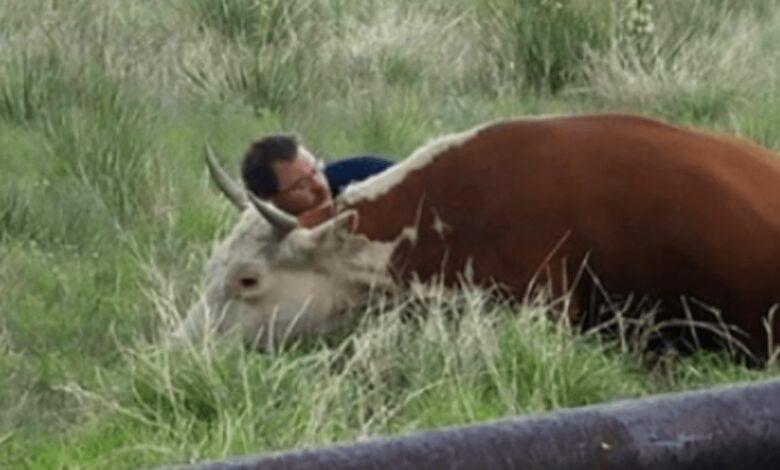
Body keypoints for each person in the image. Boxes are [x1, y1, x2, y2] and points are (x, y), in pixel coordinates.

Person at [240, 134, 393, 225]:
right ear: (272, 202)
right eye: (301, 186)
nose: (320, 186)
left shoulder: (368, 173)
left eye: (316, 170)